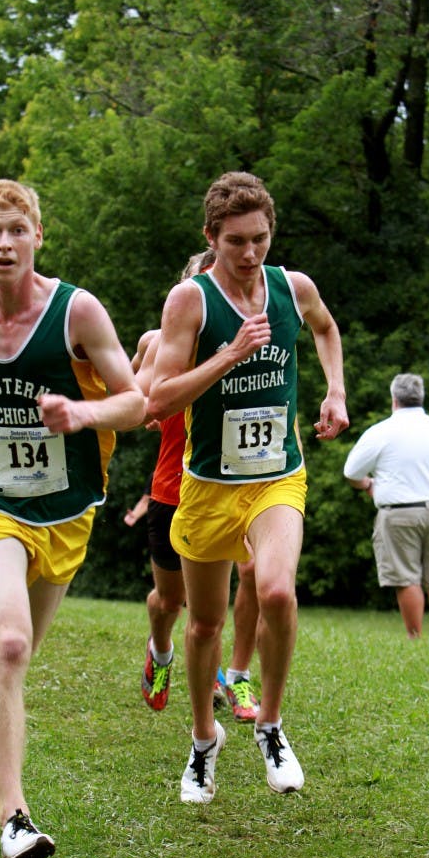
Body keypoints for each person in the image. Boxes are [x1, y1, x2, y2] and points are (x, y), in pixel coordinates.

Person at [0, 178, 144, 858]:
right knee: (13, 647)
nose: (4, 243)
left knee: (12, 646)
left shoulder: (77, 314)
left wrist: (83, 413)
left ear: (37, 236)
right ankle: (14, 817)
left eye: (17, 230)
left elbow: (135, 402)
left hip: (66, 509)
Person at [148, 171, 349, 803]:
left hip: (277, 477)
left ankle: (271, 725)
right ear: (211, 237)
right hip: (207, 485)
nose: (249, 253)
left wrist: (335, 389)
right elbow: (157, 398)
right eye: (235, 240)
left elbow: (325, 327)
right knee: (204, 624)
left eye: (259, 238)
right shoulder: (190, 301)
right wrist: (229, 355)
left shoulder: (292, 287)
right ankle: (203, 742)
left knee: (277, 592)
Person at [135, 251, 261, 722]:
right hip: (174, 489)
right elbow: (141, 398)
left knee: (245, 580)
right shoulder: (159, 343)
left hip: (237, 488)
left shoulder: (249, 344)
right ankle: (161, 648)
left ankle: (234, 676)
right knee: (171, 599)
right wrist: (152, 407)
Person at [343, 373, 429, 639]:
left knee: (407, 577)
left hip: (398, 513)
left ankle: (415, 637)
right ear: (421, 397)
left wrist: (368, 485)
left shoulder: (380, 431)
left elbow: (352, 472)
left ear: (394, 400)